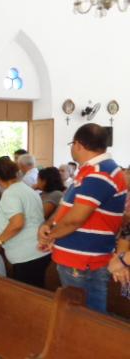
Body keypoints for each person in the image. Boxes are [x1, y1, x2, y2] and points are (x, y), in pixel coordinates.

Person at [38, 124, 127, 313]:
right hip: (76, 260)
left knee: (88, 319)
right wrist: (47, 225)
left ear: (78, 145)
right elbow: (66, 207)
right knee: (76, 315)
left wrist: (50, 235)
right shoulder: (89, 171)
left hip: (84, 262)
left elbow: (75, 219)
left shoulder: (101, 173)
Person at [0, 156, 51, 288]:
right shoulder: (27, 189)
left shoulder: (10, 194)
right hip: (38, 250)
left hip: (26, 254)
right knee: (37, 292)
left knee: (28, 297)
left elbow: (17, 223)